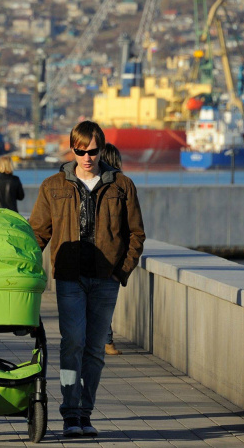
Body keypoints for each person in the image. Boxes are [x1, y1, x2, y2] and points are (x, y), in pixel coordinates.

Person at [29, 121, 145, 438]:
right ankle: (69, 414)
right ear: (73, 148)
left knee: (94, 348)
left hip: (106, 280)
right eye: (81, 150)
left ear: (101, 149)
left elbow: (136, 234)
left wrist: (121, 271)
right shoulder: (53, 185)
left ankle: (85, 412)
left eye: (92, 151)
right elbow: (37, 233)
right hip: (69, 279)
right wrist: (22, 266)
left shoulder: (121, 185)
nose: (87, 157)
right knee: (73, 344)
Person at [101, 143, 124, 356]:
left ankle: (104, 340)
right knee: (106, 304)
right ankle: (107, 341)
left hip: (98, 254)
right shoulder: (122, 186)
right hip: (112, 256)